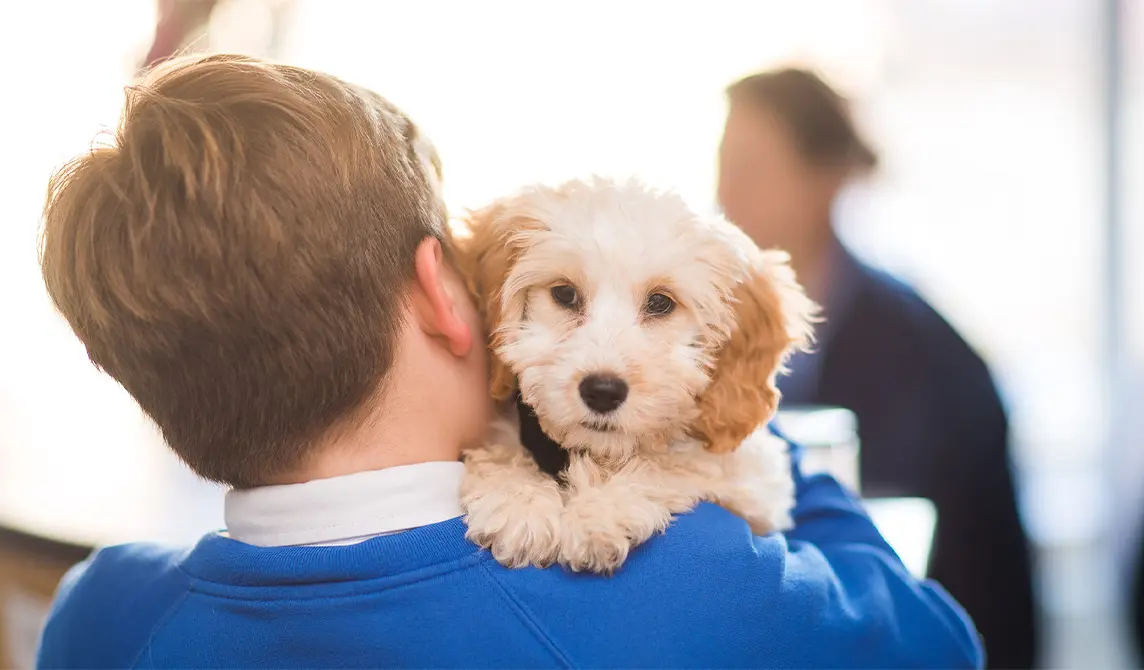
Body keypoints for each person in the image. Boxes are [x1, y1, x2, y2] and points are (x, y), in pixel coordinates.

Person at [35, 54, 982, 668]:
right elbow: (941, 645)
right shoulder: (689, 585)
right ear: (446, 292)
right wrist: (757, 423)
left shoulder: (98, 620)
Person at [717, 67, 1037, 669]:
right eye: (722, 165)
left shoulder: (920, 351)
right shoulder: (705, 325)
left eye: (752, 169)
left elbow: (914, 550)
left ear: (826, 181)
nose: (726, 193)